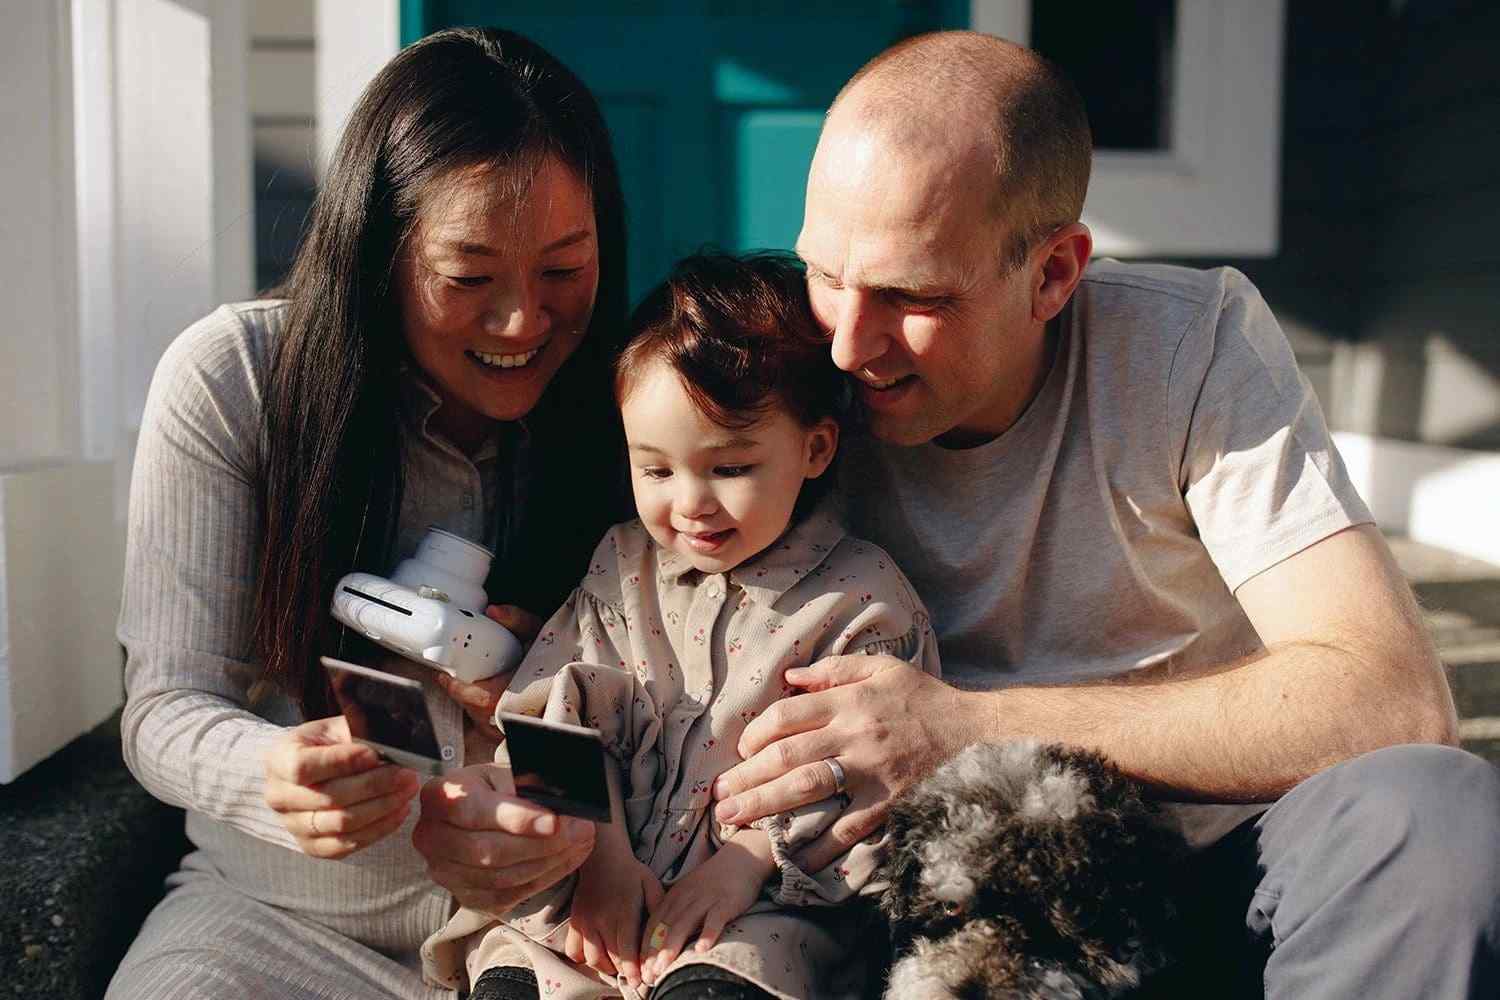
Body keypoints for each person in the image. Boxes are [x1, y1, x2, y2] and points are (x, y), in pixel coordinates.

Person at [702, 31, 1500, 998]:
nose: (847, 345)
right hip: (918, 899)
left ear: (1054, 274)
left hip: (1212, 867)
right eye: (827, 274)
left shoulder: (1187, 347)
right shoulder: (779, 360)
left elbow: (1392, 700)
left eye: (912, 294)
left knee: (1436, 818)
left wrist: (966, 729)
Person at [108, 28, 630, 999]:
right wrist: (271, 773)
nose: (522, 321)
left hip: (549, 937)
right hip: (276, 922)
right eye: (468, 277)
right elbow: (163, 708)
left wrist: (561, 815)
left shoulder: (636, 407)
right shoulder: (236, 383)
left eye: (564, 270)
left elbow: (690, 700)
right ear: (376, 251)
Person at [421, 253, 940, 1000]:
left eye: (729, 469)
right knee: (518, 971)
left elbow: (872, 784)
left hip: (765, 904)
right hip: (594, 881)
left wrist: (748, 861)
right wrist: (596, 857)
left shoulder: (864, 604)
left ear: (815, 448)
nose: (689, 503)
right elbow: (549, 714)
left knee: (739, 976)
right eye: (657, 470)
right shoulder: (621, 567)